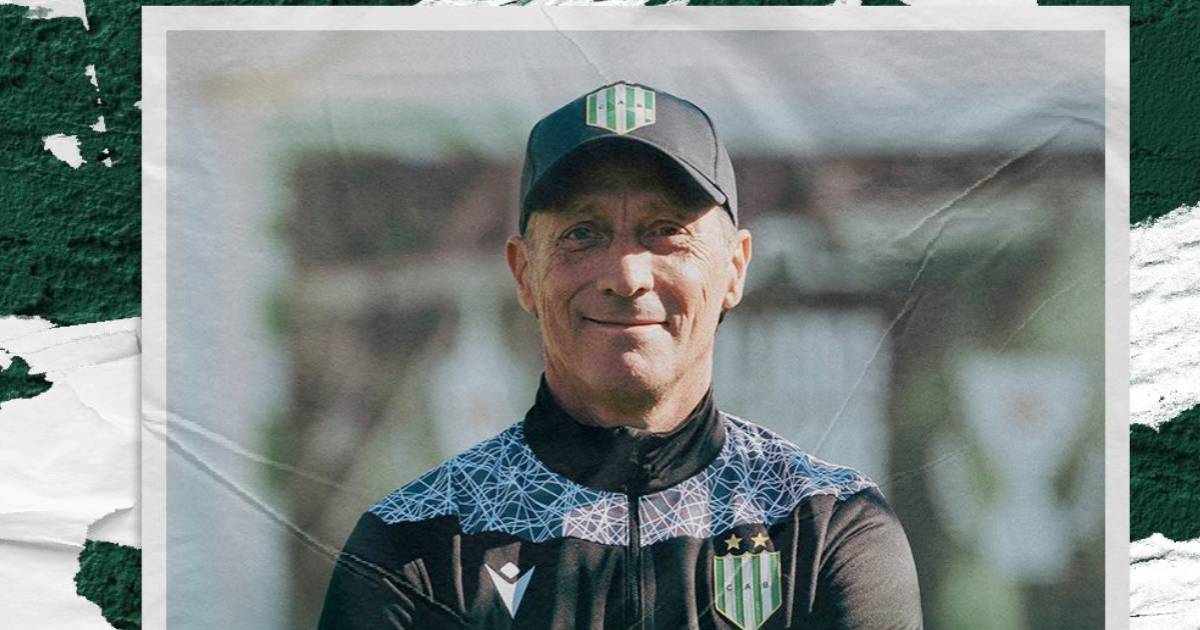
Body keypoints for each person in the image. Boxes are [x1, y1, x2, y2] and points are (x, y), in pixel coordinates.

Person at [318, 81, 922, 630]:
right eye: (582, 233)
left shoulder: (826, 527)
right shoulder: (414, 544)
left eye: (667, 231)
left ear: (735, 268)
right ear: (524, 272)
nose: (627, 276)